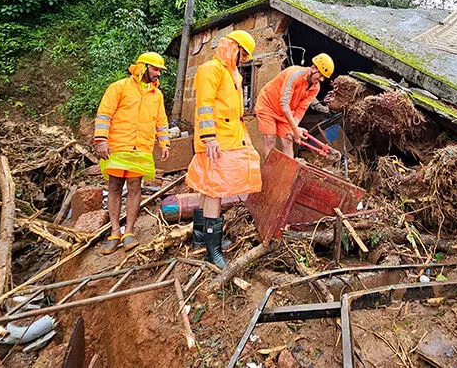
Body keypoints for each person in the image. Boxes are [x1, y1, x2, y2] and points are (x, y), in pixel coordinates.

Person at [187, 30, 262, 267]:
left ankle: (200, 237)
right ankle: (213, 250)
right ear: (234, 48)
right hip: (215, 141)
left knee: (207, 186)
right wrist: (209, 137)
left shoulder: (233, 74)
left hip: (229, 138)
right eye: (244, 54)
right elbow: (204, 106)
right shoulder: (211, 69)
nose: (246, 59)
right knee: (214, 190)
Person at [94, 52, 170, 255]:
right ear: (142, 67)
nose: (158, 75)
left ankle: (129, 232)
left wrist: (165, 144)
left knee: (136, 186)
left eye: (160, 71)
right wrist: (101, 140)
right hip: (118, 146)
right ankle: (114, 232)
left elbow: (161, 122)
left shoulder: (157, 95)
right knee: (115, 185)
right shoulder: (119, 87)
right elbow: (104, 114)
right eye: (155, 70)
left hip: (141, 148)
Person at [255, 54, 334, 159]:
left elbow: (301, 109)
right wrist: (295, 129)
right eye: (320, 75)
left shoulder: (315, 87)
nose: (321, 79)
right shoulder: (295, 74)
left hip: (285, 112)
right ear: (314, 68)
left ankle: (289, 173)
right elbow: (284, 103)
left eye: (324, 77)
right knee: (270, 138)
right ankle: (268, 172)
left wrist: (294, 129)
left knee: (288, 141)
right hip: (268, 105)